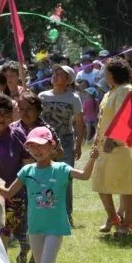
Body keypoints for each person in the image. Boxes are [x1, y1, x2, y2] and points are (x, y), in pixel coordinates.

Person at [0, 127, 99, 263]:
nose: (36, 151)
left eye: (40, 146)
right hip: (35, 228)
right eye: (32, 147)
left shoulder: (61, 169)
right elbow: (8, 193)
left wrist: (93, 158)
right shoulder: (27, 171)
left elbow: (84, 175)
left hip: (55, 228)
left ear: (51, 146)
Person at [91, 58, 132, 236]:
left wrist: (115, 140)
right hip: (104, 146)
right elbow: (103, 120)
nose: (104, 76)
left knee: (125, 185)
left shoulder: (126, 90)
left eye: (106, 72)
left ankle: (128, 223)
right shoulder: (109, 93)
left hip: (120, 146)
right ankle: (113, 217)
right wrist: (96, 138)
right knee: (100, 183)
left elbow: (127, 118)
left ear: (112, 74)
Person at [0, 94, 31, 263]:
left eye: (6, 113)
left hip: (14, 193)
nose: (2, 118)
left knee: (3, 233)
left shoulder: (18, 135)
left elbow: (27, 166)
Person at [39, 65, 84, 221]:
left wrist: (78, 145)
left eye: (60, 74)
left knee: (65, 177)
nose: (55, 75)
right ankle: (48, 211)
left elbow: (79, 123)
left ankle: (66, 214)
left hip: (65, 140)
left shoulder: (73, 98)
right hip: (45, 141)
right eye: (55, 73)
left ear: (68, 80)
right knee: (45, 175)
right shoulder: (42, 96)